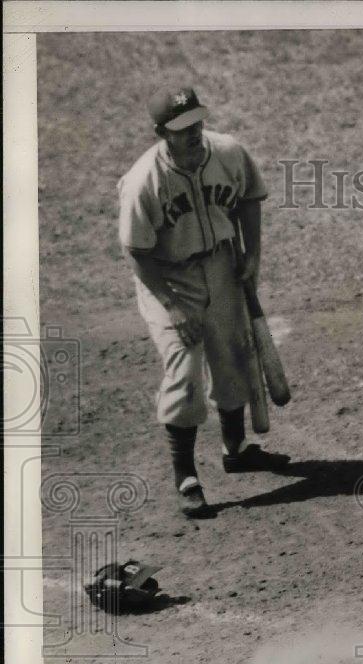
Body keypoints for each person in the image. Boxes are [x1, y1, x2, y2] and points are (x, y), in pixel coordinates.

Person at [117, 86, 288, 519]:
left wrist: (252, 255)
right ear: (161, 133)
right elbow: (136, 251)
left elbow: (249, 197)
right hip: (167, 278)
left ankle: (236, 450)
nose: (194, 132)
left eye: (197, 122)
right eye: (181, 128)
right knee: (184, 370)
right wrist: (172, 306)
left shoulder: (228, 152)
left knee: (232, 357)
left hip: (222, 266)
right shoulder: (144, 182)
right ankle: (186, 477)